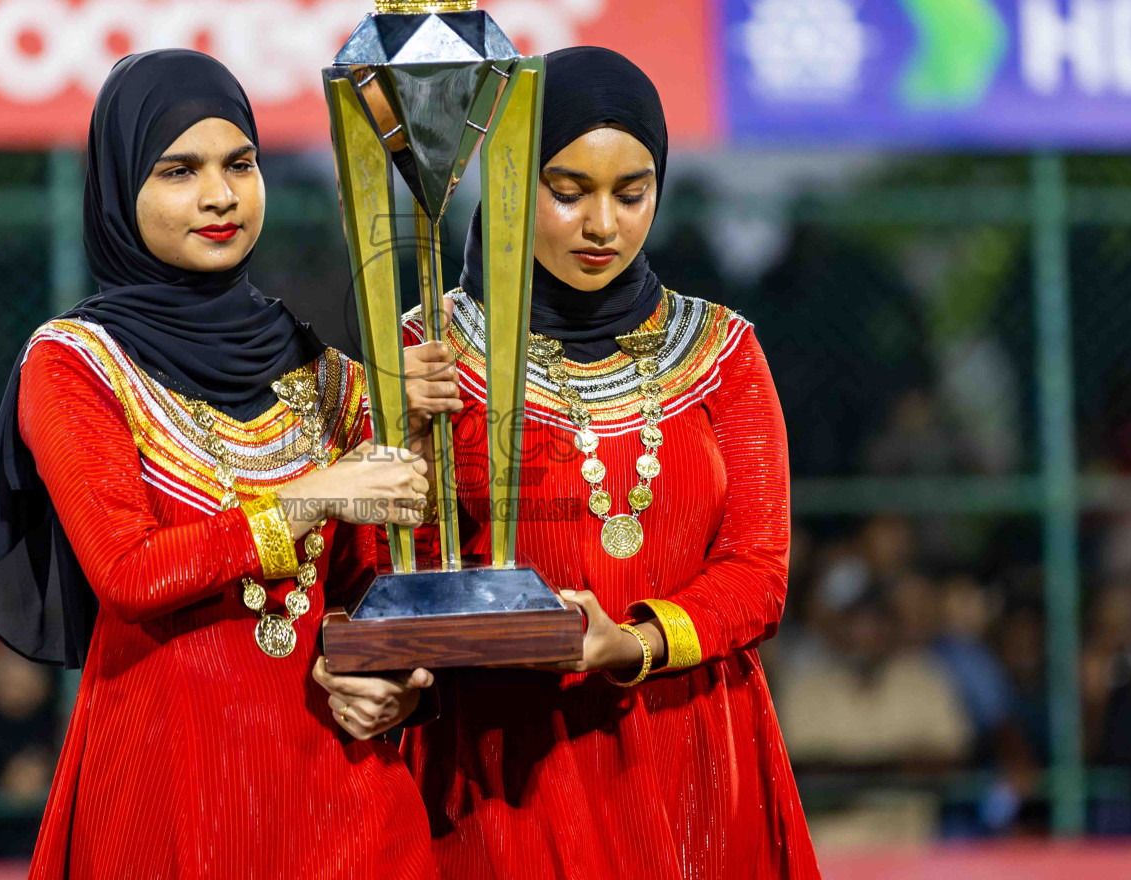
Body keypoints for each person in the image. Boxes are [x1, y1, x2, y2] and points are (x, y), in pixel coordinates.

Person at [318, 47, 819, 878]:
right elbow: (377, 568)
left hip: (689, 747)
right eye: (567, 191)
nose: (602, 226)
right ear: (514, 184)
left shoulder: (724, 351)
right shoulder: (427, 350)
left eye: (632, 194)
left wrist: (629, 644)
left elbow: (759, 571)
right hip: (505, 765)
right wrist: (399, 431)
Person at [0, 50, 436, 879]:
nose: (220, 196)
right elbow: (129, 573)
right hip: (168, 786)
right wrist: (311, 497)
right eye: (179, 171)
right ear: (118, 190)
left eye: (239, 164)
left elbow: (369, 590)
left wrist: (391, 679)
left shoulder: (327, 375)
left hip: (336, 790)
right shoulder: (74, 365)